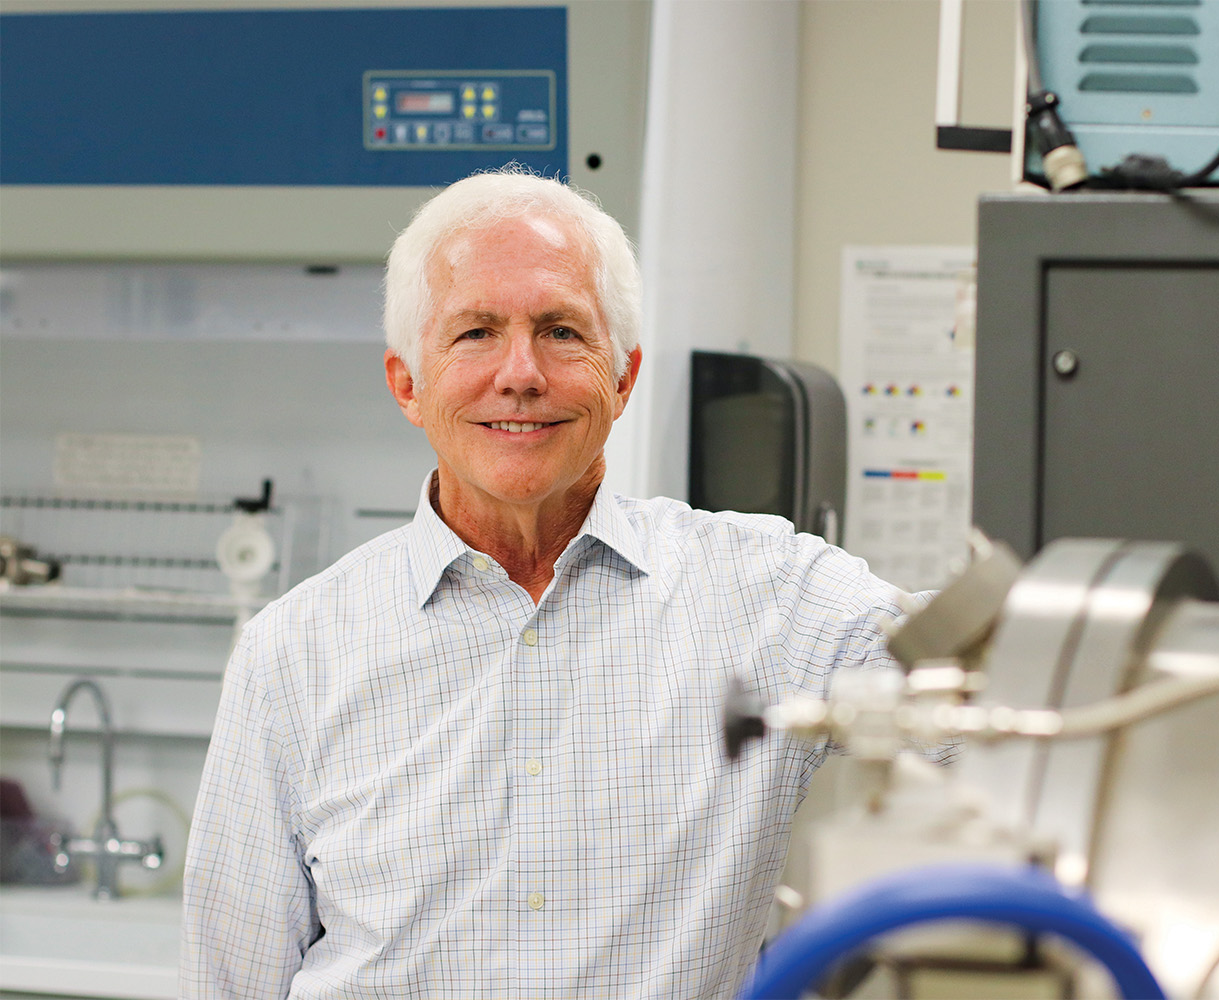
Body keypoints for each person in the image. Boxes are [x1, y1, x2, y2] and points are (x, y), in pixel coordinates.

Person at [181, 167, 937, 999]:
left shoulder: (774, 599)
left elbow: (1008, 691)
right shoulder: (292, 652)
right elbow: (232, 979)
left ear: (622, 377)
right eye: (474, 333)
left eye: (561, 331)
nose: (521, 374)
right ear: (407, 384)